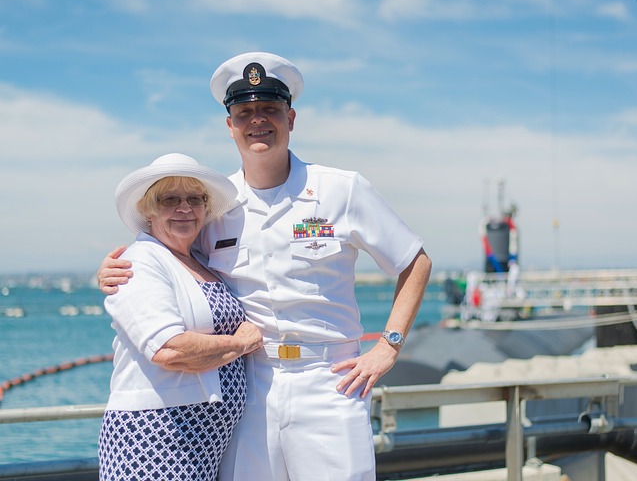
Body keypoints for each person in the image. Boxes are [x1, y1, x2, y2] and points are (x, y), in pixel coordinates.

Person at [98, 52, 432, 481]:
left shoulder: (341, 189)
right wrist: (109, 271)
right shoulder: (216, 204)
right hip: (250, 386)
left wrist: (389, 346)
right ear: (230, 126)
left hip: (328, 379)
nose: (258, 121)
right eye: (245, 112)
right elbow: (168, 253)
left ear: (290, 118)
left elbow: (414, 261)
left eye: (270, 109)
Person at [97, 153, 263, 481]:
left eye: (194, 199)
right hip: (154, 441)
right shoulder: (140, 262)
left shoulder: (198, 258)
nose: (184, 208)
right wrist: (241, 343)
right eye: (169, 199)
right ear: (148, 210)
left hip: (199, 445)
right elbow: (169, 349)